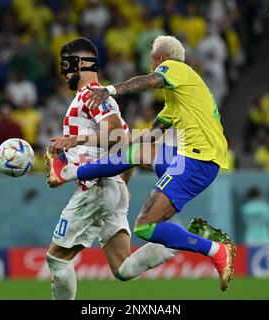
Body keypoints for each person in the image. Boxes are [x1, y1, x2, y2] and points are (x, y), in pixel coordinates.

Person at [47, 35, 236, 291]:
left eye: (152, 61)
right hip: (196, 158)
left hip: (196, 158)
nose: (152, 66)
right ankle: (177, 239)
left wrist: (110, 90)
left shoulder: (177, 68)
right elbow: (143, 143)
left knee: (145, 226)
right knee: (134, 153)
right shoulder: (178, 100)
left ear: (159, 59)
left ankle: (214, 248)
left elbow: (148, 82)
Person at [45, 37, 178, 301]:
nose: (64, 72)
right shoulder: (100, 98)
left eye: (66, 65)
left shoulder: (90, 95)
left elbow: (117, 136)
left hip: (96, 186)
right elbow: (127, 149)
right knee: (122, 268)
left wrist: (78, 140)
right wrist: (120, 188)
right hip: (113, 184)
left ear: (80, 63)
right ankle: (173, 245)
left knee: (57, 259)